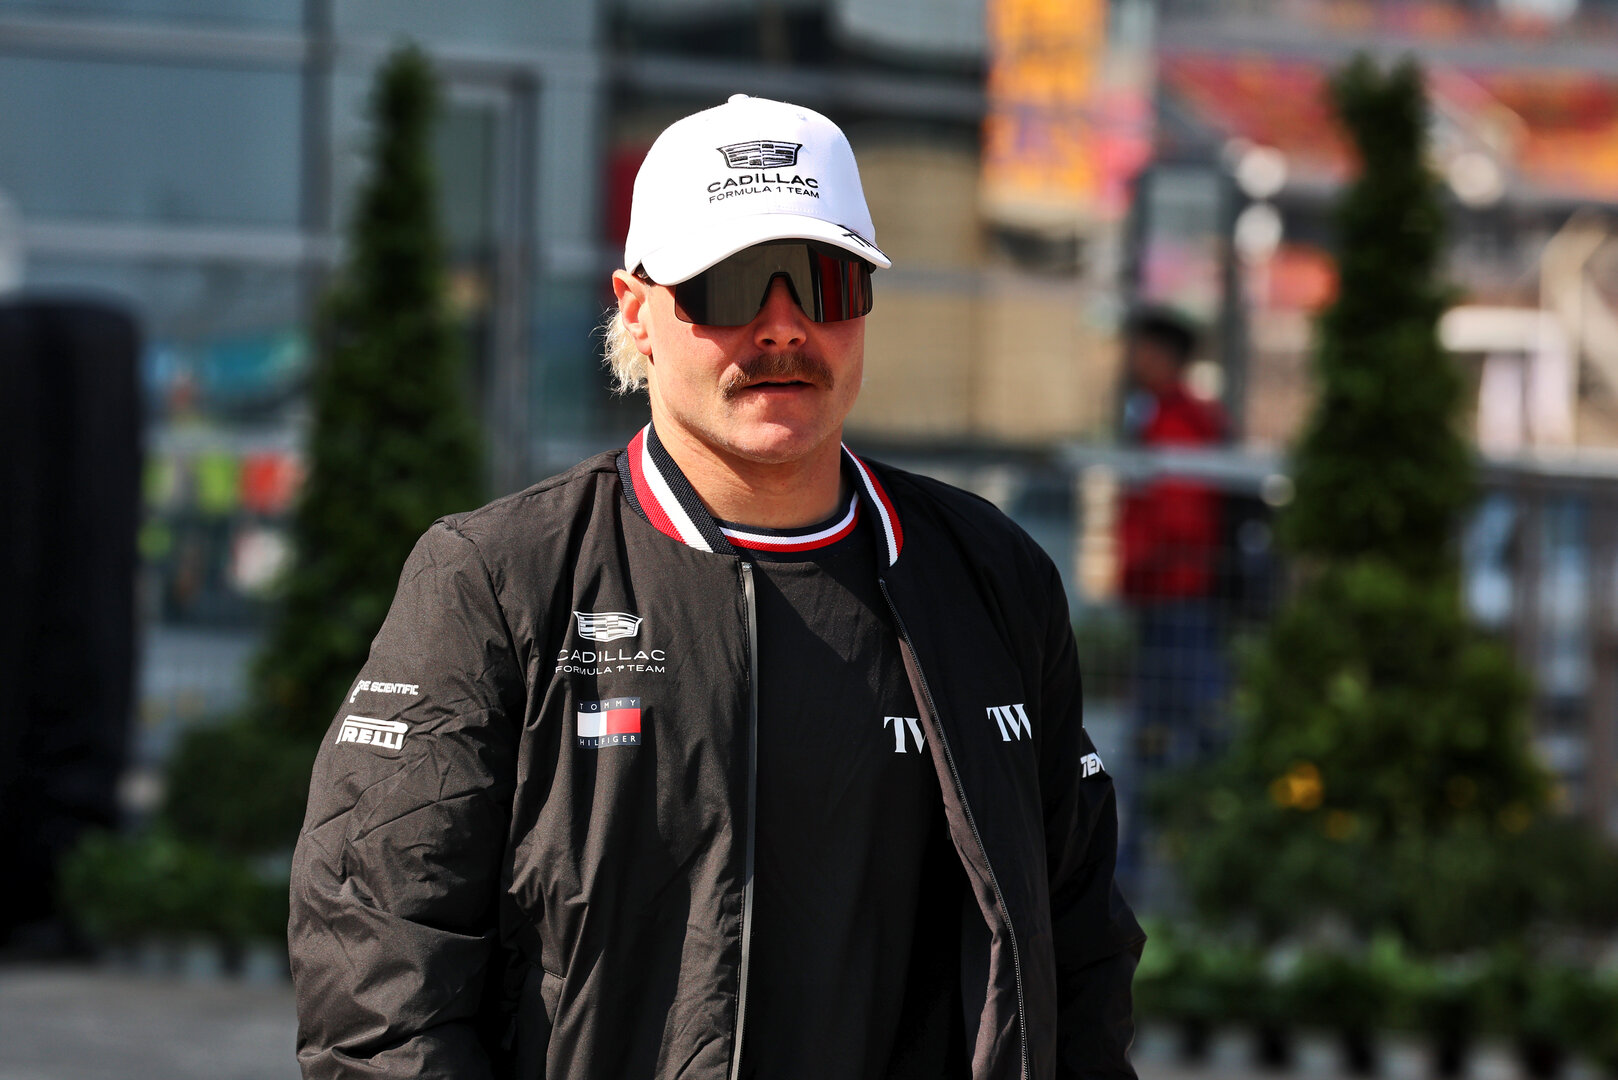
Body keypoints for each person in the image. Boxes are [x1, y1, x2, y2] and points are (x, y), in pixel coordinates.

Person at [289, 94, 1144, 1080]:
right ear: (638, 309)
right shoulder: (499, 576)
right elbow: (378, 964)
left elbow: (1077, 948)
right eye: (728, 284)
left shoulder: (990, 573)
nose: (781, 328)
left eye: (824, 280)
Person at [1115, 306, 1229, 896]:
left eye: (1142, 348)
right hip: (1173, 597)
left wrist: (1143, 565)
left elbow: (1179, 517)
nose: (1133, 359)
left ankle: (1147, 864)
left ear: (1164, 355)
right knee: (1172, 735)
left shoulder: (1175, 422)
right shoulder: (1173, 416)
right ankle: (1154, 861)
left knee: (1186, 734)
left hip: (1175, 598)